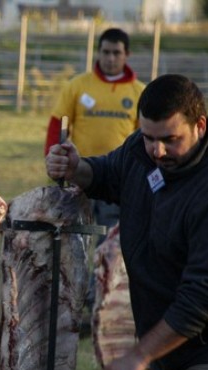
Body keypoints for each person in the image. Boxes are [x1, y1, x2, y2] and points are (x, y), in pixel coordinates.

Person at [46, 74, 208, 370]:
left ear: (199, 125)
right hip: (170, 355)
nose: (156, 150)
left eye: (170, 139)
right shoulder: (142, 152)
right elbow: (107, 174)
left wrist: (137, 356)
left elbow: (205, 296)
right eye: (148, 137)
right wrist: (76, 166)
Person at [45, 27, 145, 231]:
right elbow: (58, 124)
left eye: (116, 53)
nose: (110, 58)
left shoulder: (140, 92)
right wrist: (54, 160)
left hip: (118, 178)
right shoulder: (77, 86)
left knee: (109, 240)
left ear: (127, 55)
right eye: (106, 52)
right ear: (98, 52)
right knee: (72, 235)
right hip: (80, 175)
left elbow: (145, 138)